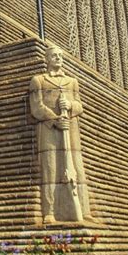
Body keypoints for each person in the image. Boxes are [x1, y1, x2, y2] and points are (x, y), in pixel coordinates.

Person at [29, 46, 91, 224]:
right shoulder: (39, 80)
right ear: (46, 59)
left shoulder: (72, 82)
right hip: (49, 129)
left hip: (70, 128)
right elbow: (37, 107)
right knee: (51, 168)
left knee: (77, 167)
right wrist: (54, 120)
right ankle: (49, 211)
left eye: (59, 55)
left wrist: (70, 106)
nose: (57, 58)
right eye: (53, 56)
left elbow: (80, 106)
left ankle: (83, 209)